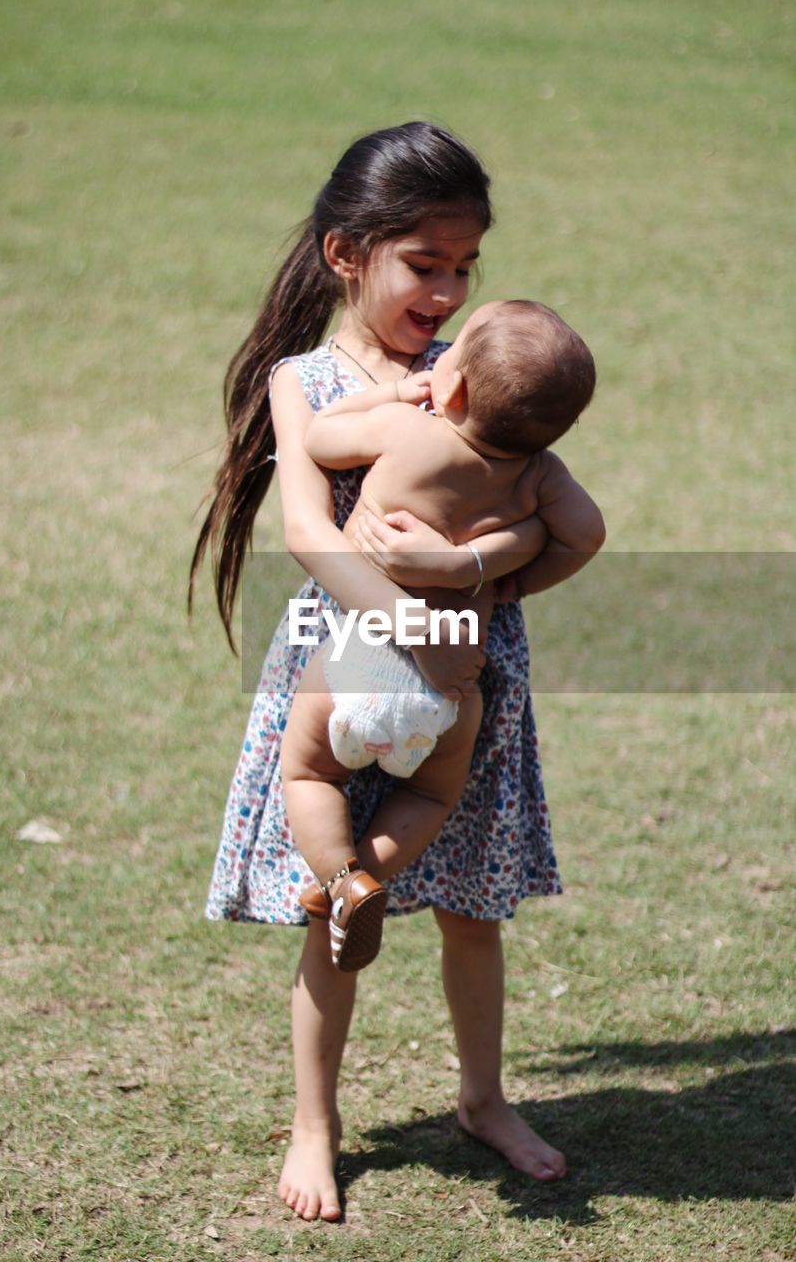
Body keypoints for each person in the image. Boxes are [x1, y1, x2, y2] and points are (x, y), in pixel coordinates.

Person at [191, 122, 589, 1222]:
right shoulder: (306, 382)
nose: (449, 290)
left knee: (472, 908)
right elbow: (312, 536)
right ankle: (315, 1123)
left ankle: (482, 1096)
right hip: (354, 658)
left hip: (465, 670)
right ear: (345, 254)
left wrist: (463, 565)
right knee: (334, 897)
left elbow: (546, 519)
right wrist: (418, 628)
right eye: (426, 264)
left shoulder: (482, 371)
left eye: (465, 266)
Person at [281, 299, 603, 975]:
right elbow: (585, 535)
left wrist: (395, 393)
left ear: (449, 388)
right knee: (429, 796)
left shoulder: (404, 429)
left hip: (359, 657)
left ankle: (343, 880)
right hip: (451, 686)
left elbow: (318, 440)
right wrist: (516, 580)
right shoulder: (539, 474)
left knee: (308, 771)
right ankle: (366, 875)